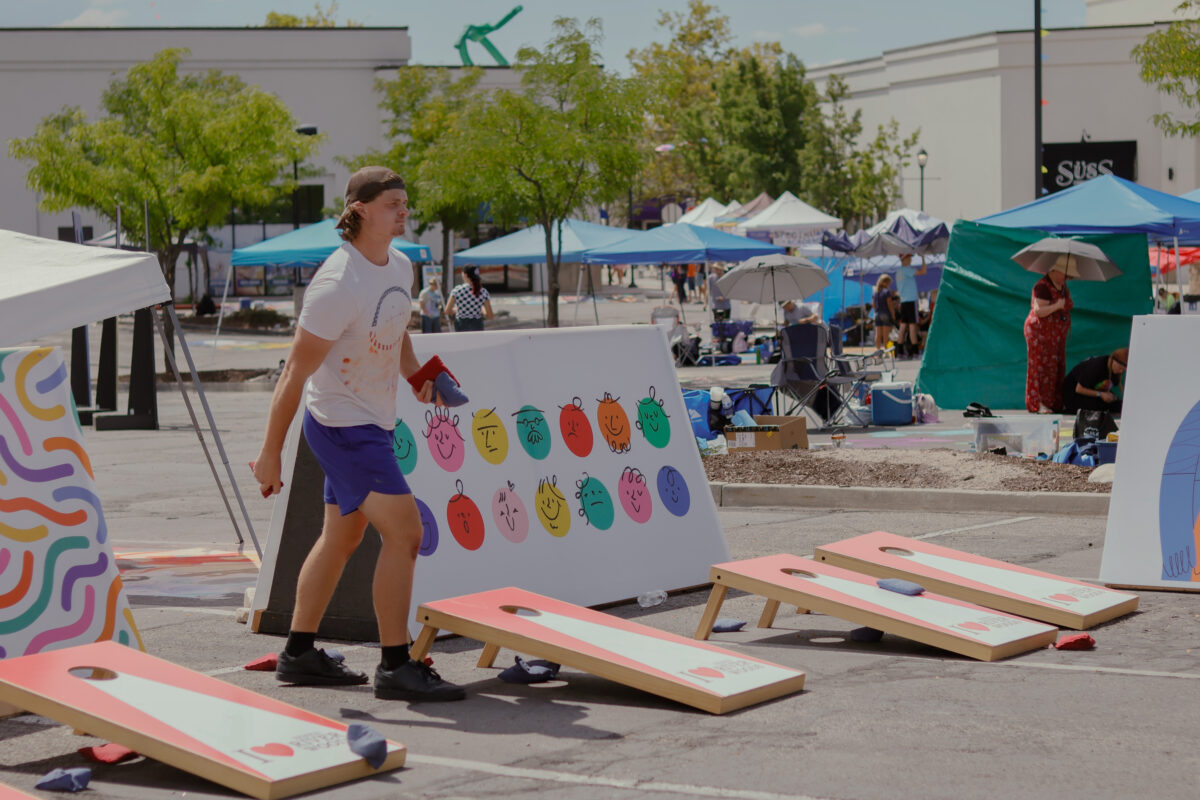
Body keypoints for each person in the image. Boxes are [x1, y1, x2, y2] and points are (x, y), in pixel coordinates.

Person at [252, 166, 465, 703]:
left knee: (342, 538)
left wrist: (419, 378)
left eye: (406, 203)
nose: (404, 211)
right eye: (394, 203)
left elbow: (397, 329)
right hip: (343, 427)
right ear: (361, 209)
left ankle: (298, 654)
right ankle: (395, 665)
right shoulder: (335, 283)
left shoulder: (400, 265)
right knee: (407, 534)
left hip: (371, 421)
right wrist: (270, 454)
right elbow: (293, 375)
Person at [1024, 258, 1073, 414]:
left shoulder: (1063, 287)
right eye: (1064, 273)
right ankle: (1038, 403)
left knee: (1055, 367)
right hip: (1039, 332)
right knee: (1039, 366)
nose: (1066, 277)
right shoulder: (1042, 286)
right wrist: (1057, 306)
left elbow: (1068, 304)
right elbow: (1039, 310)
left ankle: (1053, 401)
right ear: (1054, 271)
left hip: (1055, 334)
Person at [1061, 348, 1127, 415]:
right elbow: (1079, 389)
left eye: (1123, 370)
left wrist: (1111, 396)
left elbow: (1102, 388)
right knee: (1099, 407)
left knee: (1118, 405)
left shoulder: (1115, 372)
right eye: (1120, 368)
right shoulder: (1096, 366)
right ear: (1114, 361)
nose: (1121, 371)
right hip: (1074, 394)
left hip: (1093, 391)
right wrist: (1100, 394)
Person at [894, 253, 927, 359]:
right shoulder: (907, 270)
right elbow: (923, 271)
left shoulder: (898, 272)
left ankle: (899, 351)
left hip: (903, 301)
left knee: (903, 326)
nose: (910, 260)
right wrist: (923, 258)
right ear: (904, 259)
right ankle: (915, 351)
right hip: (911, 300)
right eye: (909, 258)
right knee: (913, 326)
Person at [445, 266, 493, 332]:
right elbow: (490, 316)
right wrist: (481, 308)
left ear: (465, 275)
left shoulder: (457, 290)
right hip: (477, 325)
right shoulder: (483, 292)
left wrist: (458, 309)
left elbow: (447, 311)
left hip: (461, 325)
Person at [872, 274, 897, 351]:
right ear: (885, 283)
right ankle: (885, 350)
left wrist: (876, 311)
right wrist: (893, 315)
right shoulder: (887, 292)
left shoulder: (875, 292)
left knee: (878, 335)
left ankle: (878, 350)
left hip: (877, 314)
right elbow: (889, 304)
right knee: (885, 335)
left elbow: (873, 305)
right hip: (885, 313)